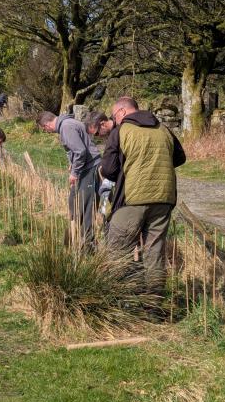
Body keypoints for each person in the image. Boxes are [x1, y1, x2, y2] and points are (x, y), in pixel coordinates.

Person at [101, 97, 185, 297]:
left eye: (114, 116)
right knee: (155, 253)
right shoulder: (163, 129)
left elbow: (109, 170)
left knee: (118, 250)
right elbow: (180, 158)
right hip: (164, 199)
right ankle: (153, 304)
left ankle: (124, 300)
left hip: (132, 199)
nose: (115, 120)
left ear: (121, 112)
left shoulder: (121, 131)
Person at [36, 110, 101, 246]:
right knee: (75, 202)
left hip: (89, 169)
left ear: (47, 125)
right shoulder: (68, 124)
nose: (46, 132)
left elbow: (80, 151)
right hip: (85, 167)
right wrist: (73, 164)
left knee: (86, 206)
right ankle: (75, 239)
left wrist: (74, 172)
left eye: (44, 129)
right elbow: (76, 149)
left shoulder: (66, 127)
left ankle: (88, 244)